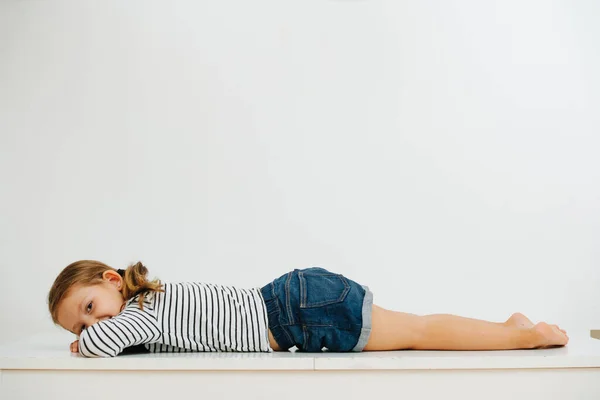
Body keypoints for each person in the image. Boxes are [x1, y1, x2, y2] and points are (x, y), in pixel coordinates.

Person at [47, 260, 569, 358]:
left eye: (90, 307)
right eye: (82, 322)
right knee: (415, 326)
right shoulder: (148, 307)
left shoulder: (143, 309)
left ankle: (523, 336)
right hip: (295, 300)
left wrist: (82, 343)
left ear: (114, 281)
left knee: (417, 332)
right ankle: (509, 328)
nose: (95, 324)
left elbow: (104, 343)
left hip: (297, 313)